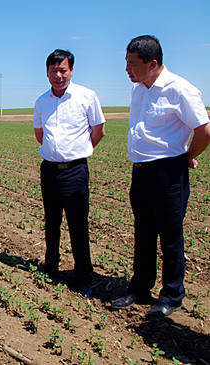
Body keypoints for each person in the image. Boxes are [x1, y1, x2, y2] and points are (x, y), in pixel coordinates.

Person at [111, 35, 210, 317]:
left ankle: (172, 294)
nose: (127, 69)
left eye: (132, 64)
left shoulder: (180, 89)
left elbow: (204, 130)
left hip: (169, 173)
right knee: (143, 233)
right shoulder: (139, 89)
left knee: (170, 236)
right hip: (141, 172)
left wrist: (189, 156)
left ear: (153, 63)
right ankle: (140, 287)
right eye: (126, 62)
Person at [32, 49, 106, 296]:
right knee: (51, 222)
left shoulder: (86, 96)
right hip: (50, 171)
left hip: (75, 171)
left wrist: (78, 152)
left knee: (77, 224)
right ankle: (51, 266)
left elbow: (99, 130)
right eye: (53, 71)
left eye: (63, 70)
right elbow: (39, 135)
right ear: (47, 73)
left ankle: (83, 275)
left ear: (71, 71)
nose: (58, 75)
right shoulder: (42, 101)